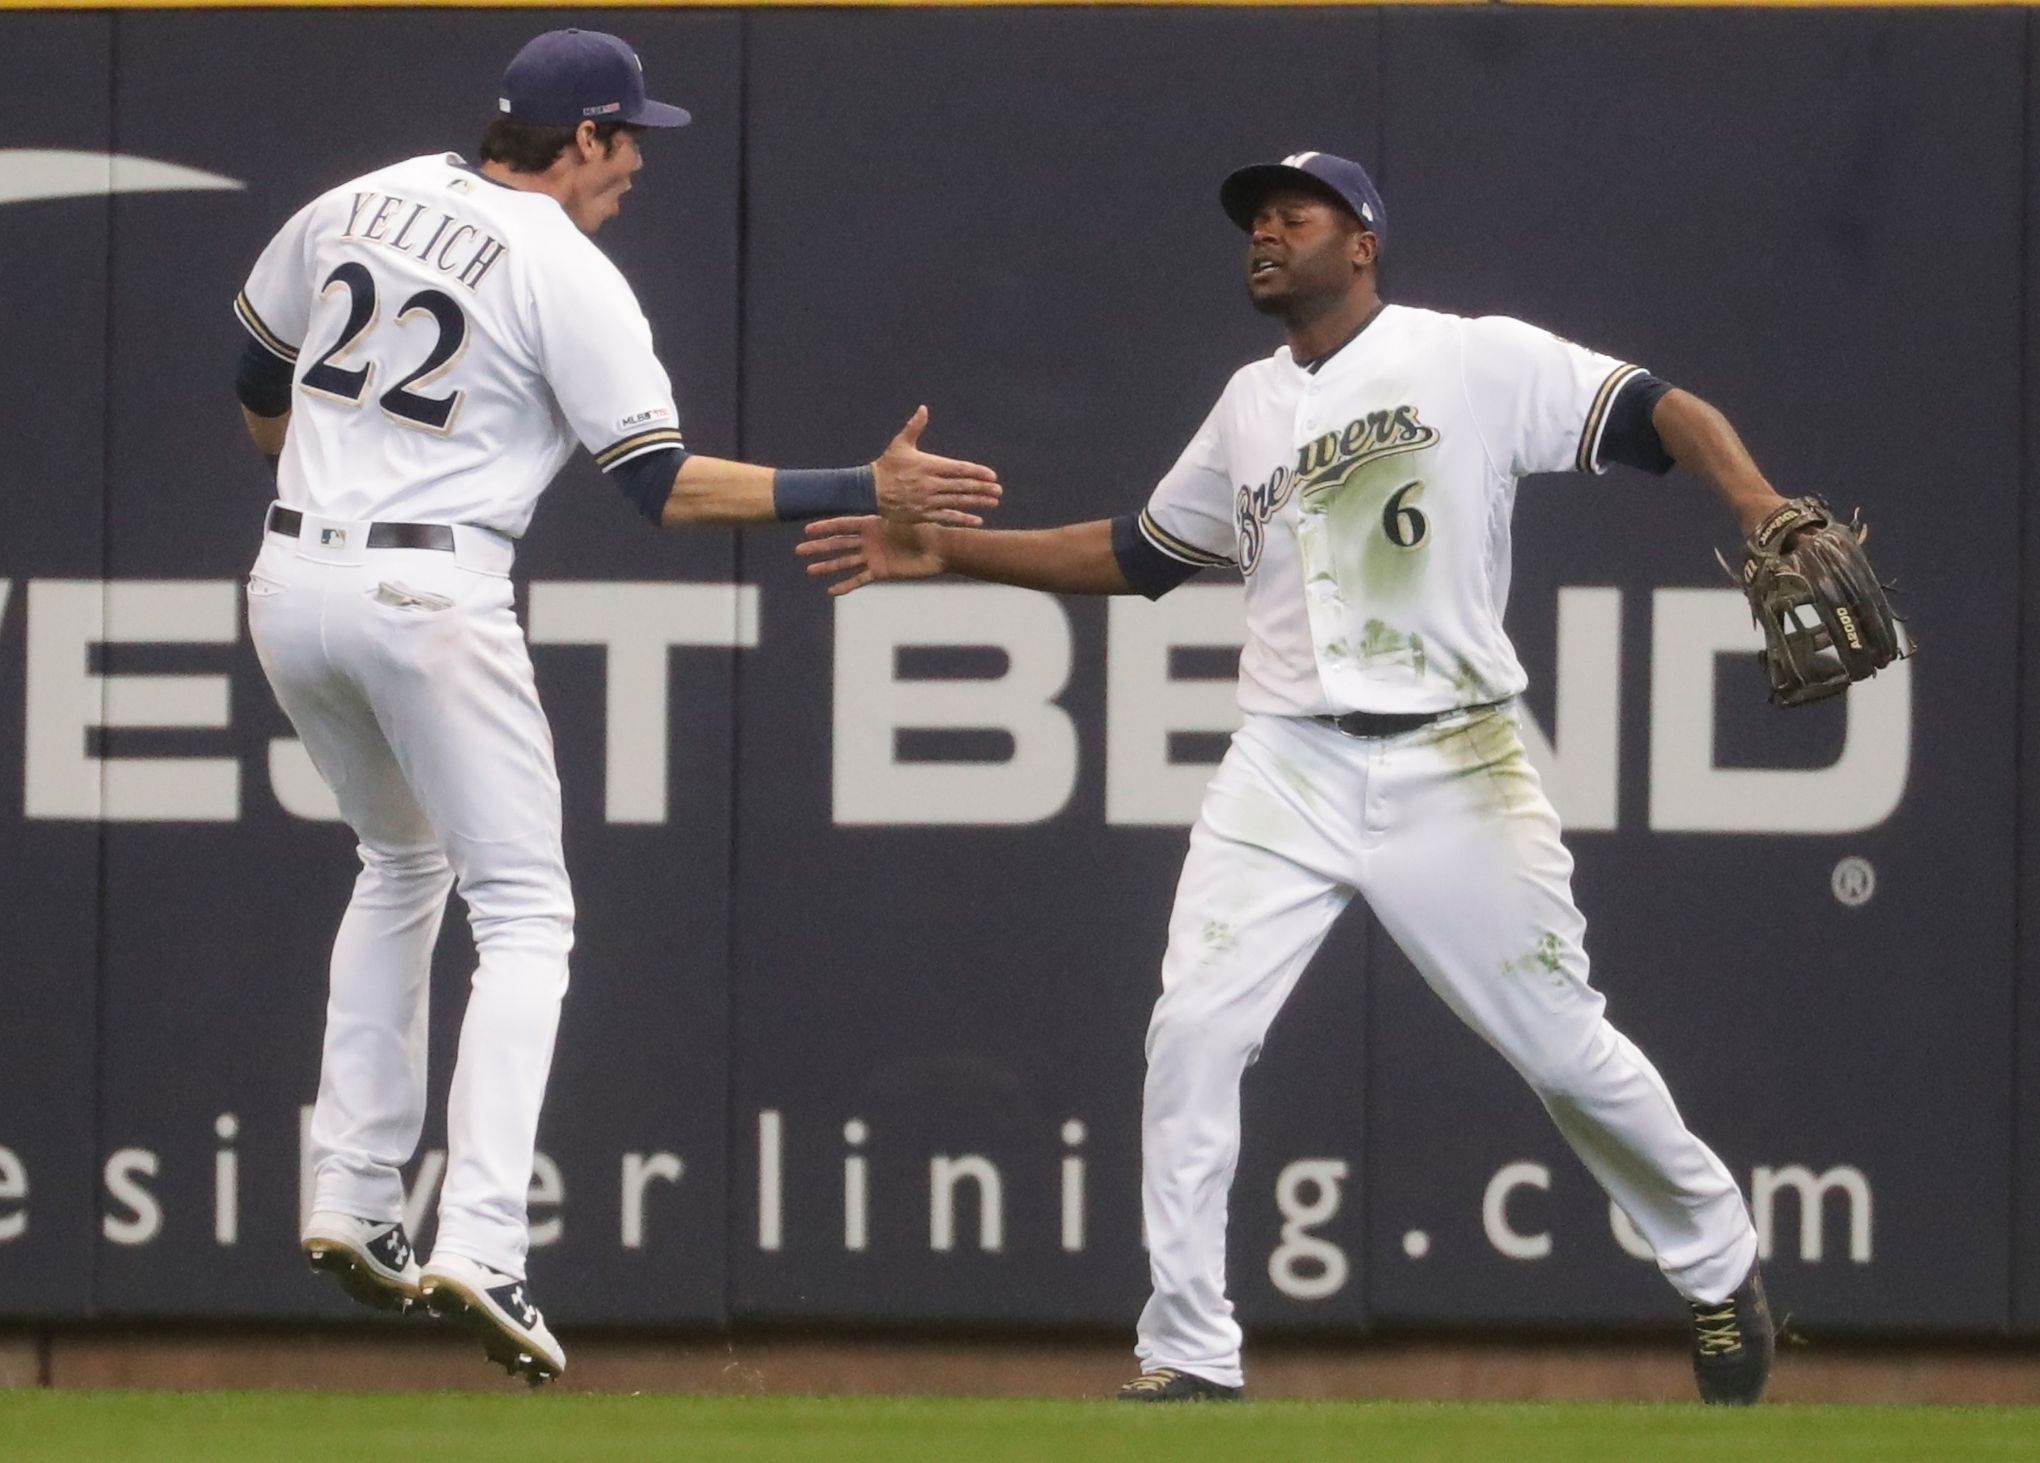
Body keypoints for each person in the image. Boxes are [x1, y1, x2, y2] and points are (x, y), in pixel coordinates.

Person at [799, 150, 1778, 1406]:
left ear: (1361, 240)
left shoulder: (1466, 355)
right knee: (1194, 1031)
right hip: (1286, 759)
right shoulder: (1248, 401)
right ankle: (1191, 1351)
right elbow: (1143, 554)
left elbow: (1661, 408)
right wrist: (950, 554)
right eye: (1253, 220)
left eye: (1292, 215)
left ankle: (1718, 1254)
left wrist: (1756, 502)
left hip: (1455, 753)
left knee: (1562, 1046)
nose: (1264, 233)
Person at [231, 28, 1000, 1385]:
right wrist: (858, 487)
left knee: (396, 862)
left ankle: (348, 1192)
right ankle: (479, 1234)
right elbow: (663, 486)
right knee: (525, 913)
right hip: (431, 590)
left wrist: (350, 487)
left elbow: (256, 386)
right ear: (578, 137)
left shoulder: (358, 197)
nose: (640, 160)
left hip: (291, 577)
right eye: (627, 134)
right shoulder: (561, 267)